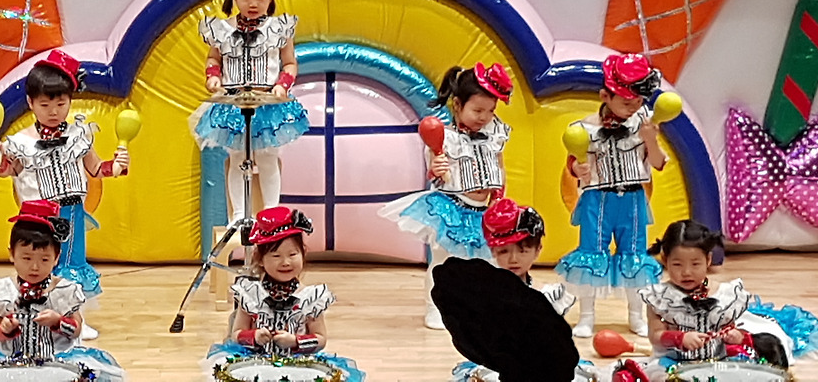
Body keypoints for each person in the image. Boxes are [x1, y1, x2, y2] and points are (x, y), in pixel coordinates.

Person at [0, 49, 129, 338]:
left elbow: (96, 168)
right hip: (36, 215)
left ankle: (73, 319)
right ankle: (30, 316)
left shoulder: (79, 135)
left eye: (61, 103)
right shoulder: (20, 141)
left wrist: (117, 165)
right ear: (30, 103)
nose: (53, 111)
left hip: (72, 210)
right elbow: (7, 170)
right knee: (37, 265)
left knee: (72, 264)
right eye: (45, 104)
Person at [613, 219, 818, 382]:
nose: (686, 272)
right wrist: (679, 338)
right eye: (677, 265)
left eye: (695, 264)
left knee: (780, 338)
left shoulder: (724, 294)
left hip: (720, 360)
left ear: (708, 261)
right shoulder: (659, 298)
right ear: (665, 260)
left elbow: (731, 329)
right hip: (673, 361)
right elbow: (656, 335)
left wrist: (736, 336)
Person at [379, 62, 513, 329]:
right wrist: (436, 167)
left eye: (490, 111)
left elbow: (499, 166)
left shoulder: (495, 134)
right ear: (457, 104)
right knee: (443, 262)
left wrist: (498, 197)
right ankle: (435, 307)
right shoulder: (445, 137)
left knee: (484, 262)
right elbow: (434, 169)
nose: (484, 117)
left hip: (483, 211)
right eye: (477, 110)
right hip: (451, 207)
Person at [0, 199, 125, 381]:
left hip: (58, 364)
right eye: (26, 258)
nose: (35, 267)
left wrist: (58, 321)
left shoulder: (64, 291)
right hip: (12, 365)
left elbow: (77, 329)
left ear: (56, 258)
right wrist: (4, 328)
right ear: (11, 254)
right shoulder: (4, 291)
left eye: (44, 260)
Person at [557, 53, 667, 338]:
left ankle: (636, 316)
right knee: (591, 255)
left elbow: (658, 163)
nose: (634, 107)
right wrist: (577, 168)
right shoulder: (585, 128)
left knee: (635, 257)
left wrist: (651, 139)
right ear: (605, 96)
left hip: (633, 200)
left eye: (639, 101)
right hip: (597, 199)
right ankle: (587, 317)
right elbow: (574, 163)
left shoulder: (645, 123)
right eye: (627, 102)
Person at [193, 0, 309, 218]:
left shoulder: (279, 29)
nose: (253, 3)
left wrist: (283, 84)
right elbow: (213, 58)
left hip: (268, 104)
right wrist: (213, 76)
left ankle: (271, 212)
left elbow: (290, 63)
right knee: (236, 158)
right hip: (233, 103)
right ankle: (238, 215)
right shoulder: (222, 29)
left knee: (268, 158)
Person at [204, 206, 363, 381]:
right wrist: (254, 336)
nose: (285, 262)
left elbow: (321, 339)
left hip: (298, 368)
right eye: (276, 256)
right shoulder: (251, 295)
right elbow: (236, 333)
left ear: (303, 253)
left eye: (292, 254)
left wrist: (295, 341)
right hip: (255, 367)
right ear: (260, 259)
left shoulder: (311, 298)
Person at [449, 198, 599, 381]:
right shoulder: (486, 295)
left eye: (523, 250)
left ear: (538, 250)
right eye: (504, 251)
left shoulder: (551, 296)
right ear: (493, 251)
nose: (513, 259)